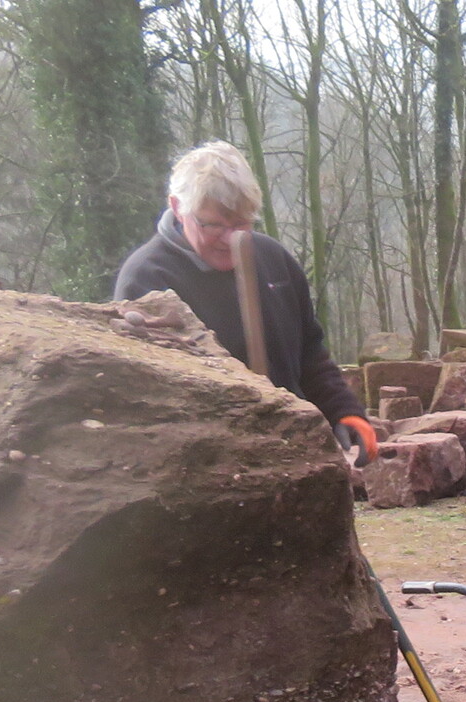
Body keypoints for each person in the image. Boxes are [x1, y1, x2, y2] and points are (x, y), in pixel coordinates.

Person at [113, 141, 380, 466]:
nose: (230, 238)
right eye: (213, 225)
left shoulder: (275, 261)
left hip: (296, 453)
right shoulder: (147, 279)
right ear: (177, 207)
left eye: (241, 224)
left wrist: (344, 411)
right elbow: (153, 401)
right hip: (206, 465)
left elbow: (309, 354)